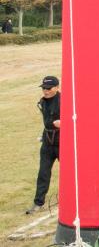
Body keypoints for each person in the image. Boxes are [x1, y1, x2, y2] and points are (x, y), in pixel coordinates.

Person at [26, 76, 61, 215]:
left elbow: (77, 118)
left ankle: (78, 199)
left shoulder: (66, 101)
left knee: (70, 173)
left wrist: (65, 123)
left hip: (63, 142)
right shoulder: (42, 102)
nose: (45, 91)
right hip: (47, 142)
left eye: (48, 88)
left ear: (57, 87)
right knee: (43, 172)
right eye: (44, 88)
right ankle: (38, 202)